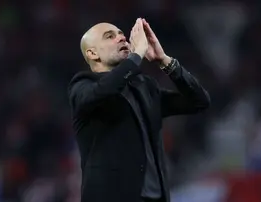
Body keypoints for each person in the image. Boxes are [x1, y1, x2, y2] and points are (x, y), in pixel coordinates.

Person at [68, 18, 210, 202]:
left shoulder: (144, 87)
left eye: (121, 34)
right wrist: (136, 57)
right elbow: (103, 91)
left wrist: (165, 61)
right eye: (109, 36)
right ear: (93, 53)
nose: (121, 38)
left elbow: (199, 101)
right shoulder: (82, 86)